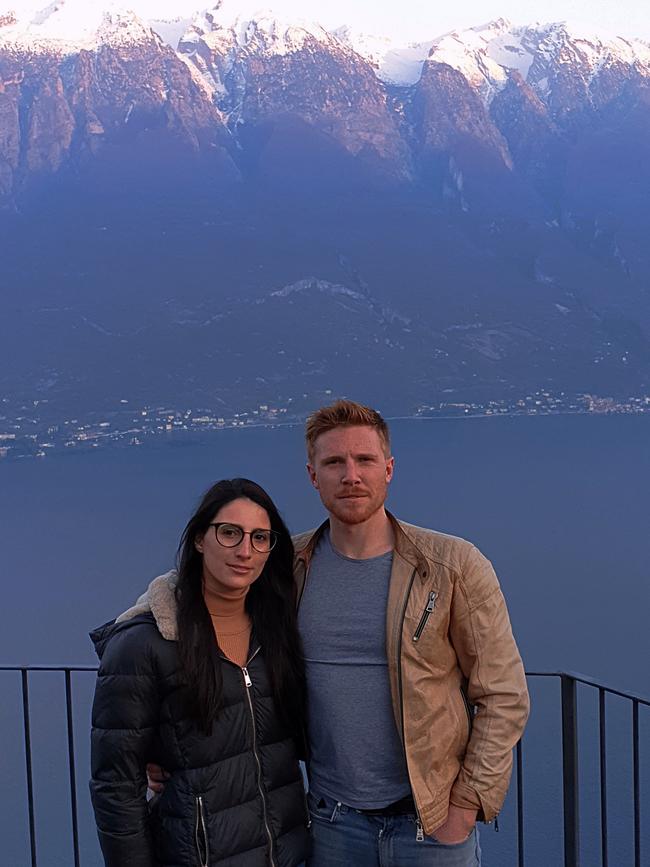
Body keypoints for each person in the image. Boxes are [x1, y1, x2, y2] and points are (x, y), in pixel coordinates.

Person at [148, 400, 530, 866]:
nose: (351, 474)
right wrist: (160, 746)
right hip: (331, 824)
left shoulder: (452, 567)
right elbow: (199, 591)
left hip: (430, 828)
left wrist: (466, 806)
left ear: (388, 469)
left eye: (365, 460)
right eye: (334, 462)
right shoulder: (288, 566)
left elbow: (503, 695)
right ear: (313, 475)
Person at [89, 478, 311, 867]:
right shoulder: (145, 645)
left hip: (289, 854)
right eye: (229, 533)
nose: (245, 551)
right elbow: (116, 786)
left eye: (260, 538)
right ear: (198, 540)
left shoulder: (277, 634)